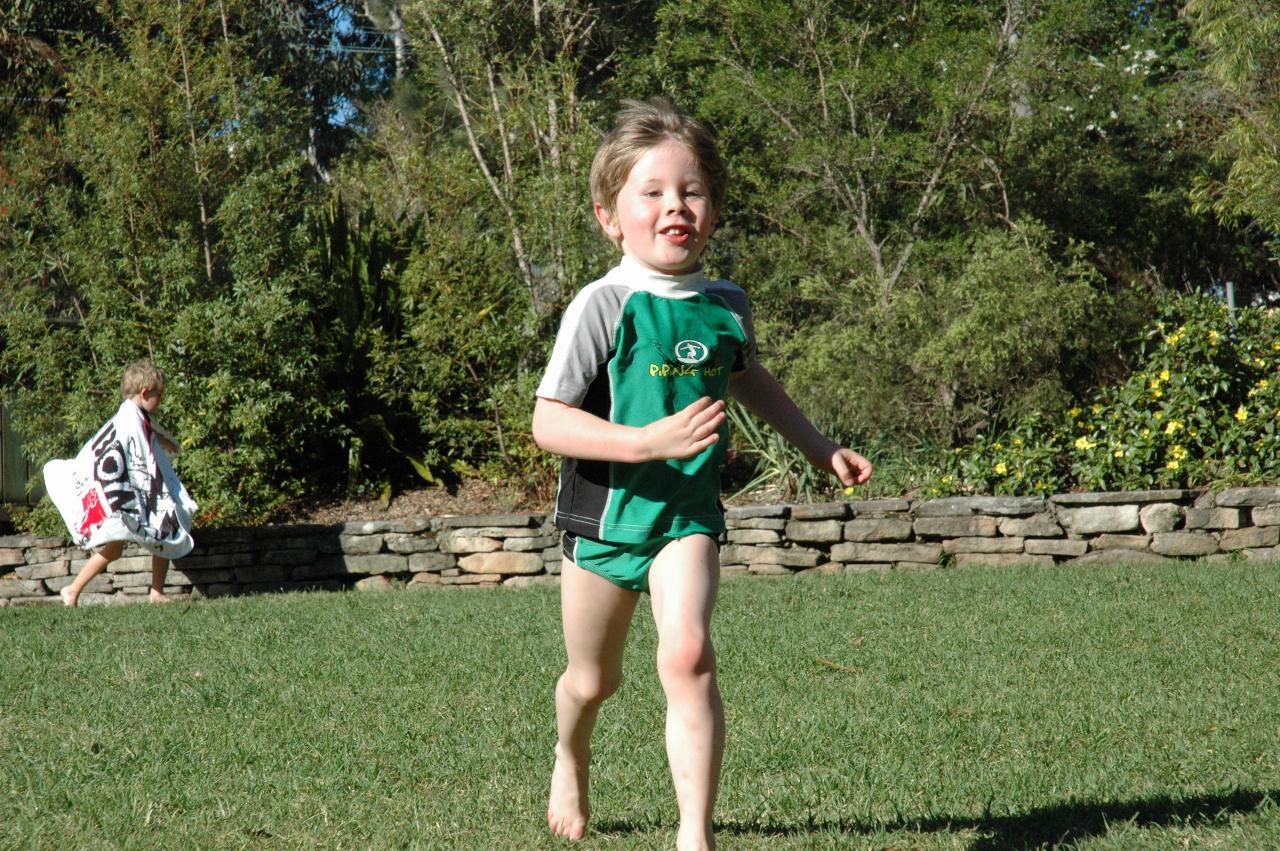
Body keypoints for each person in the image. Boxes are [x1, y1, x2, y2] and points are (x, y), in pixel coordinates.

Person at [532, 97, 873, 850]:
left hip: (686, 518)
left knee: (687, 652)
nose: (674, 205)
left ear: (712, 211)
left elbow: (753, 380)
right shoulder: (603, 304)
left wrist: (820, 447)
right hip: (604, 521)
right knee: (592, 682)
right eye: (651, 192)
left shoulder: (726, 305)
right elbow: (548, 420)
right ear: (610, 216)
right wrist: (646, 440)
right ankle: (569, 753)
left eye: (690, 191)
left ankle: (695, 836)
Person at [44, 360, 197, 607]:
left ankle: (155, 592)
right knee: (146, 534)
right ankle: (72, 590)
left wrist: (164, 441)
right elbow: (139, 457)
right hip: (121, 496)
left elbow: (147, 435)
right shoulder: (129, 419)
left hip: (124, 494)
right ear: (145, 393)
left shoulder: (134, 415)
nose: (162, 401)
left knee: (162, 530)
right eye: (160, 395)